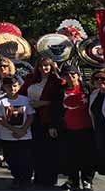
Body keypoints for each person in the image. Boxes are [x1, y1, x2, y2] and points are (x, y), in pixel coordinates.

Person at [52, 65, 95, 191]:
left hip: (86, 128)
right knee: (70, 157)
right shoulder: (60, 91)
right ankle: (72, 180)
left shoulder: (87, 88)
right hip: (68, 129)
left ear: (78, 74)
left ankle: (87, 181)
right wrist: (53, 126)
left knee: (87, 157)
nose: (70, 77)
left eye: (73, 74)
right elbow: (55, 110)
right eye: (66, 75)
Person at [27, 56, 64, 187]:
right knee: (36, 150)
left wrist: (43, 103)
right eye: (41, 66)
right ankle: (38, 177)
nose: (44, 68)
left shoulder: (57, 82)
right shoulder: (30, 79)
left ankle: (49, 179)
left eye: (47, 65)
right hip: (32, 119)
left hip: (48, 119)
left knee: (49, 151)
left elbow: (59, 102)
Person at [0, 77, 35, 189]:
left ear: (18, 86)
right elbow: (0, 119)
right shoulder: (0, 101)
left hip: (25, 136)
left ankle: (26, 180)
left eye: (15, 86)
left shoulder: (25, 100)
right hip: (7, 136)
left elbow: (31, 116)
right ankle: (16, 179)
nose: (12, 88)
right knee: (11, 159)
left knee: (25, 159)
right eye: (9, 86)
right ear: (4, 87)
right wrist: (15, 130)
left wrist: (23, 130)